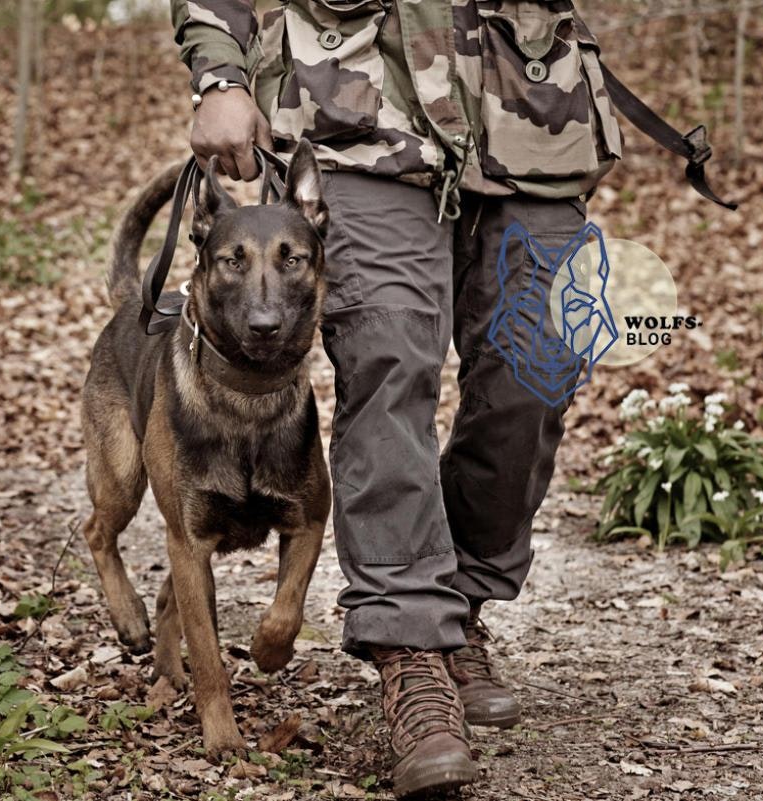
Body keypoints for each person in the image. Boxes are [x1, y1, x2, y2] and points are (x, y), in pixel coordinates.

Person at [169, 1, 622, 796]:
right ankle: (411, 649)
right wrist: (219, 74)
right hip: (352, 108)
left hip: (530, 111)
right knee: (387, 361)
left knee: (536, 369)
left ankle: (460, 607)